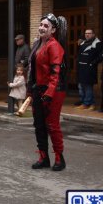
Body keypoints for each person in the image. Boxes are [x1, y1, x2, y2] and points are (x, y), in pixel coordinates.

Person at [29, 13, 67, 171]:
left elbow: (55, 72)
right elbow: (32, 69)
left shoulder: (54, 45)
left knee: (52, 124)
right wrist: (31, 90)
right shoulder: (38, 44)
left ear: (53, 30)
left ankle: (59, 158)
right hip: (39, 88)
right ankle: (43, 157)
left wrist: (49, 93)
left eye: (46, 26)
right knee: (39, 124)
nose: (42, 28)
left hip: (54, 90)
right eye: (41, 24)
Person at [75, 29, 101, 110]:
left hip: (90, 69)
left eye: (89, 33)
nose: (87, 35)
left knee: (88, 87)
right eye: (86, 33)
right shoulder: (83, 43)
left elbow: (99, 56)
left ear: (93, 34)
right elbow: (79, 55)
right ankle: (86, 103)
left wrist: (92, 64)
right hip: (81, 68)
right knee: (81, 87)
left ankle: (88, 103)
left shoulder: (97, 43)